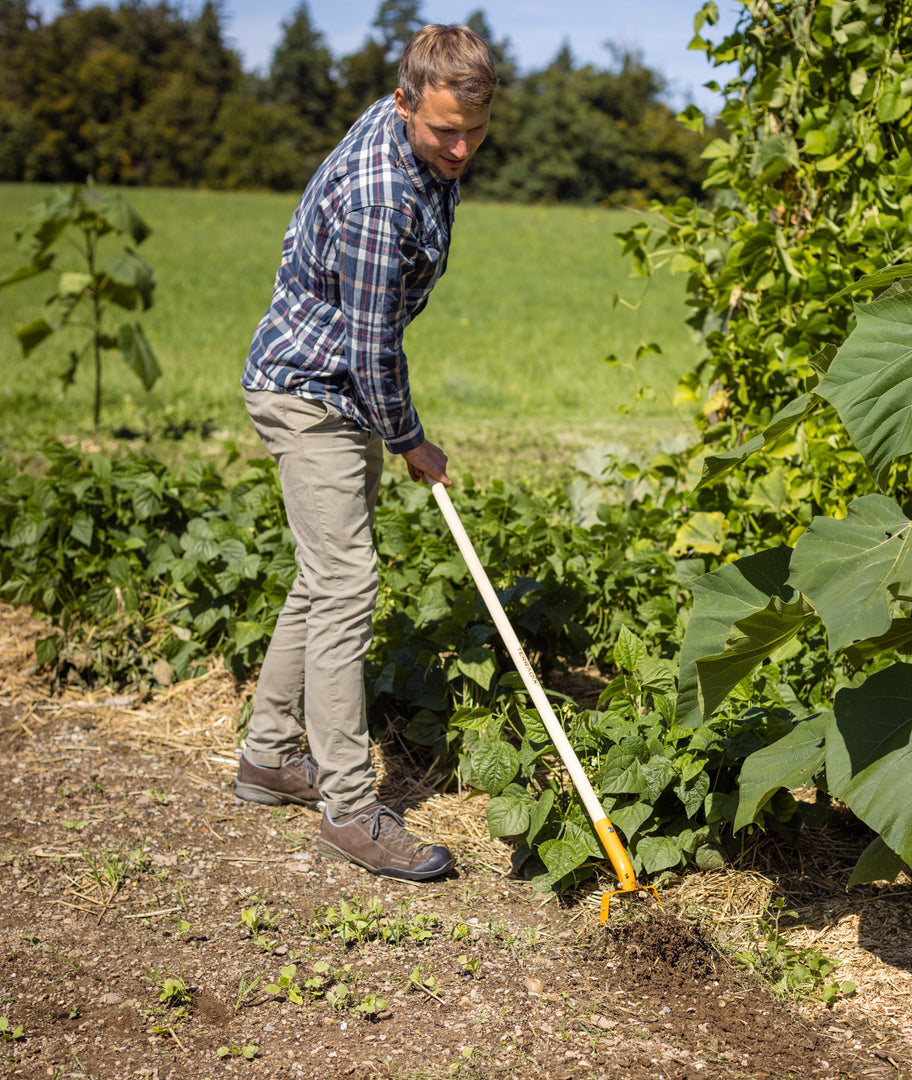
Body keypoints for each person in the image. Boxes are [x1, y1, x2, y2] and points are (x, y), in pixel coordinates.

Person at [233, 24, 496, 882]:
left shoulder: (420, 140)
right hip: (313, 389)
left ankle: (270, 755)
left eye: (475, 131)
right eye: (443, 131)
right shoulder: (384, 194)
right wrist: (411, 439)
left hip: (335, 385)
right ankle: (349, 806)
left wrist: (390, 428)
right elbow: (371, 344)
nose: (459, 149)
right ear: (403, 103)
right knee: (348, 583)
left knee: (323, 575)